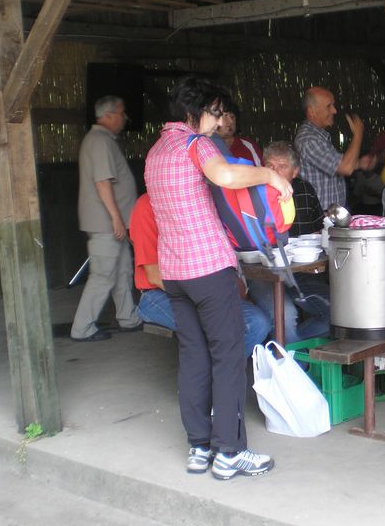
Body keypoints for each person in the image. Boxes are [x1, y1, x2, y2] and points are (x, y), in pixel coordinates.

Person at [145, 75, 292, 480]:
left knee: (193, 357)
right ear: (194, 113)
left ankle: (199, 447)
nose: (218, 120)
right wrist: (269, 175)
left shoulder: (156, 151)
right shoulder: (196, 143)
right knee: (228, 357)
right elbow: (226, 177)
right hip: (209, 269)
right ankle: (229, 452)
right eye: (213, 112)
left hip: (175, 273)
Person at [129, 192, 271, 357]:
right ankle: (218, 377)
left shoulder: (203, 200)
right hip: (158, 293)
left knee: (258, 322)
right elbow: (154, 275)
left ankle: (223, 375)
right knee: (218, 326)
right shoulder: (147, 205)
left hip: (203, 289)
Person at [70, 96, 142, 342]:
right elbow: (102, 183)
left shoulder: (102, 140)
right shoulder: (99, 141)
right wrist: (116, 219)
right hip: (106, 224)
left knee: (122, 270)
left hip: (112, 224)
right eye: (121, 113)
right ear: (109, 115)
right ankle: (82, 328)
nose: (125, 118)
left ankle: (128, 317)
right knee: (103, 275)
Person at [247, 141, 331, 344]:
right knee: (285, 315)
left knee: (335, 312)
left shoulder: (304, 190)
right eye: (270, 166)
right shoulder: (251, 194)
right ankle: (293, 366)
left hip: (302, 272)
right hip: (264, 274)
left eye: (282, 167)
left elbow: (318, 231)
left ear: (295, 171)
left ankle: (286, 350)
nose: (274, 173)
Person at [294, 86, 374, 209]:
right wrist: (358, 135)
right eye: (328, 106)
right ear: (312, 111)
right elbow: (345, 168)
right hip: (321, 219)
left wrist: (358, 164)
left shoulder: (319, 136)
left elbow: (332, 164)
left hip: (329, 216)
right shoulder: (308, 140)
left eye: (333, 105)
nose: (334, 111)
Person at [216, 98, 263, 165]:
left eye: (232, 117)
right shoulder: (205, 147)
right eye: (225, 116)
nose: (231, 121)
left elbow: (261, 172)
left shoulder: (248, 146)